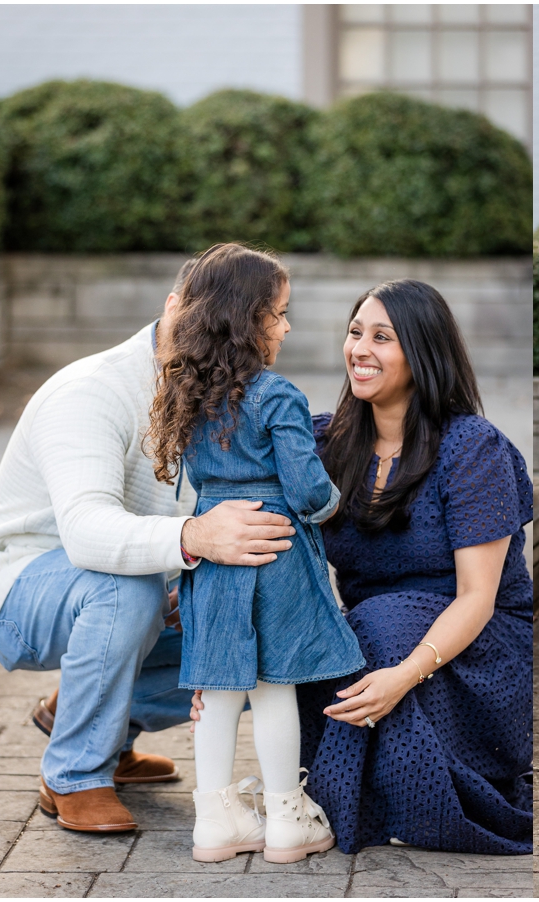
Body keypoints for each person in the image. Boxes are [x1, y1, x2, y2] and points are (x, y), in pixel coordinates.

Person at [0, 257, 300, 833]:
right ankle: (75, 774)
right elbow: (87, 531)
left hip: (136, 583)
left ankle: (100, 728)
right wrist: (194, 538)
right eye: (276, 314)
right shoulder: (91, 391)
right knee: (127, 593)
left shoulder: (222, 395)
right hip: (13, 588)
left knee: (266, 634)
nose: (286, 329)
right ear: (184, 310)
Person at [191, 278, 534, 854]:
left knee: (374, 630)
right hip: (371, 639)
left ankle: (380, 803)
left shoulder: (473, 448)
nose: (360, 350)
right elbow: (260, 542)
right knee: (322, 642)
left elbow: (478, 597)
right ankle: (303, 807)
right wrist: (216, 657)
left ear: (423, 352)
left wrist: (405, 675)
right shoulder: (322, 442)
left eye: (382, 337)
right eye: (355, 333)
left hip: (476, 646)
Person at [146, 244, 365, 863]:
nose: (287, 327)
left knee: (217, 691)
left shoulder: (187, 392)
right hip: (276, 554)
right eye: (280, 313)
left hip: (216, 552)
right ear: (247, 319)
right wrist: (333, 503)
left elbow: (196, 481)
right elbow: (307, 489)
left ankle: (215, 823)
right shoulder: (277, 395)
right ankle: (287, 819)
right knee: (273, 688)